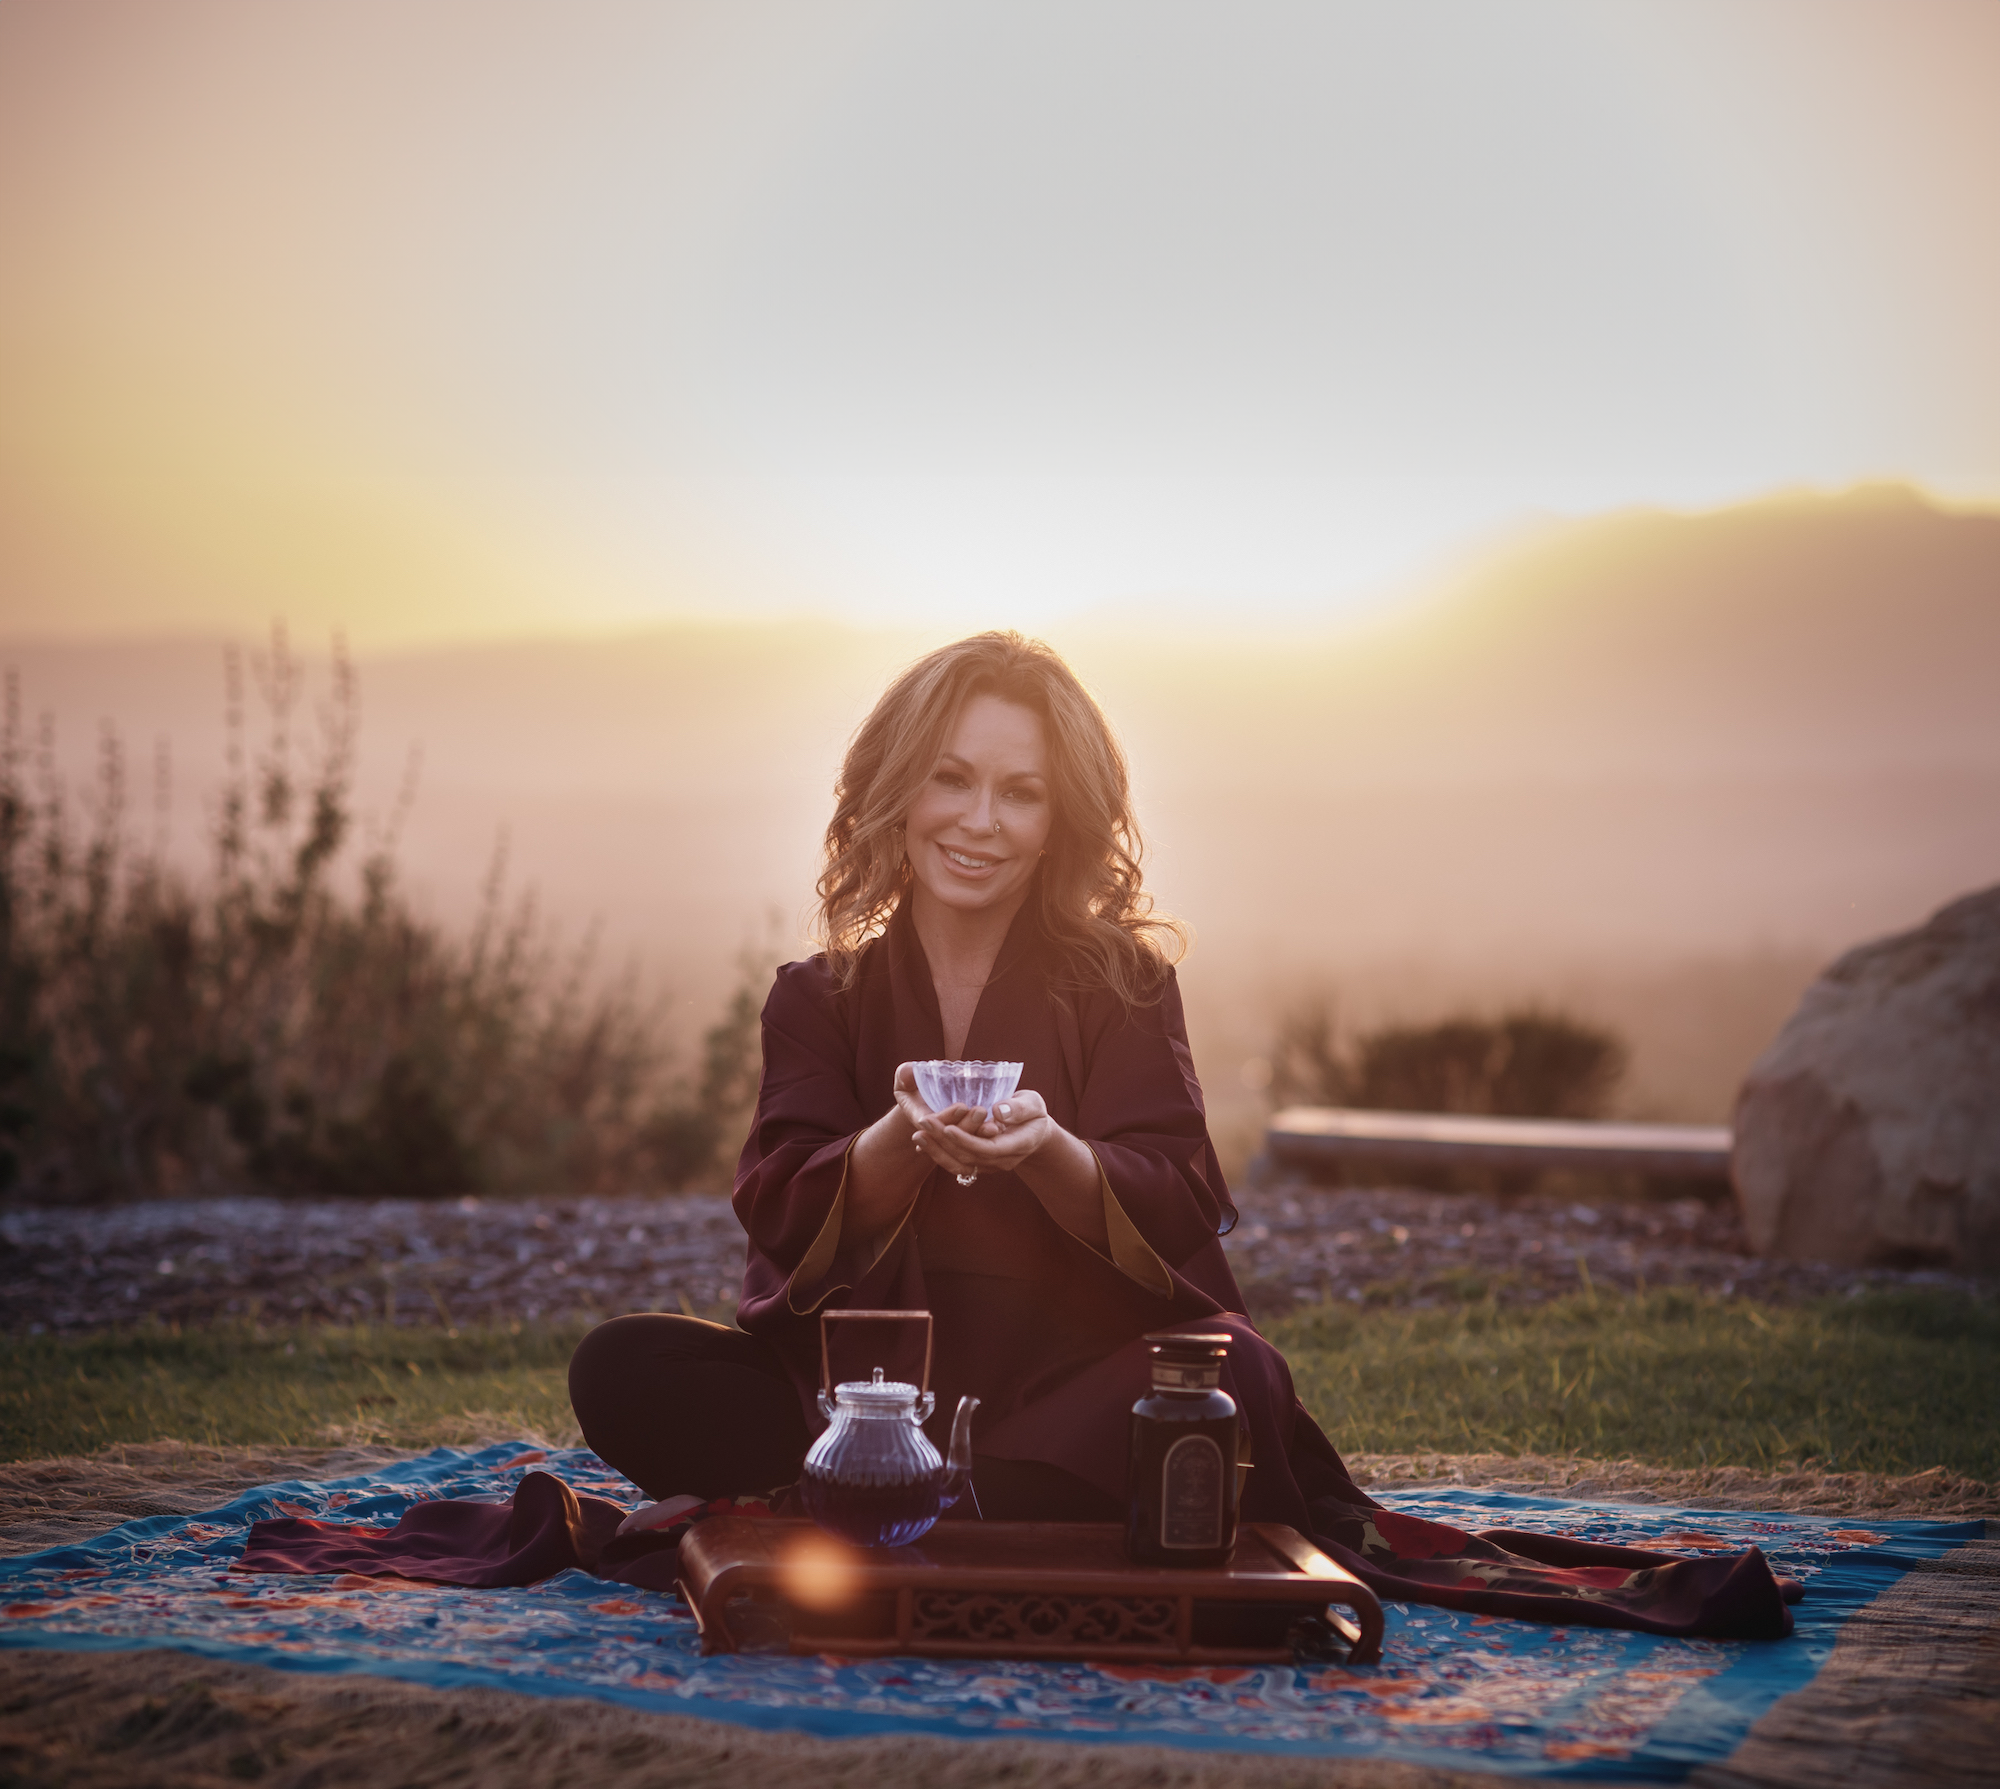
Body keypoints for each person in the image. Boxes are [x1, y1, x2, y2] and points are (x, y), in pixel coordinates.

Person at [569, 632, 1798, 1638]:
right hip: (864, 1391)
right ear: (894, 790)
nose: (979, 821)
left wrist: (1046, 1149)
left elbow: (1175, 1194)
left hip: (1064, 1382)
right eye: (951, 778)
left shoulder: (1116, 985)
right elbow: (782, 1205)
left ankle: (922, 1495)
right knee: (621, 1366)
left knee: (1233, 1382)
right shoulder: (816, 997)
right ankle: (931, 1483)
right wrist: (896, 1140)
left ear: (1061, 820)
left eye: (1020, 791)